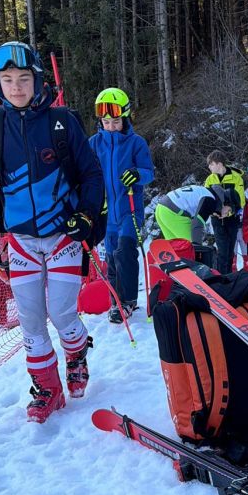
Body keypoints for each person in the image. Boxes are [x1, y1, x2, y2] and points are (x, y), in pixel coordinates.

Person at [0, 41, 105, 423]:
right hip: (20, 241)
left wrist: (86, 214)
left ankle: (77, 354)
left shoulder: (61, 121)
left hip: (63, 236)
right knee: (31, 319)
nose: (16, 87)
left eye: (23, 78)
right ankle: (47, 389)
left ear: (37, 80)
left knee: (62, 313)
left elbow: (91, 174)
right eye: (7, 80)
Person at [89, 87, 154, 323]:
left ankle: (127, 301)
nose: (111, 126)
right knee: (111, 258)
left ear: (125, 118)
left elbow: (148, 172)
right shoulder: (94, 144)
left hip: (129, 209)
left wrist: (137, 174)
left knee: (125, 252)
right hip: (106, 213)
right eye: (106, 122)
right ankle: (115, 300)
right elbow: (86, 173)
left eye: (115, 122)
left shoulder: (136, 143)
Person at [155, 184, 222, 260]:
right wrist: (197, 249)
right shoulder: (210, 200)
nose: (225, 215)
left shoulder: (203, 191)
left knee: (176, 250)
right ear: (224, 202)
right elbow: (197, 224)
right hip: (173, 212)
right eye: (229, 211)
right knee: (189, 248)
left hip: (161, 208)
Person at [204, 153, 244, 273]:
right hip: (217, 219)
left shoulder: (236, 177)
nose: (209, 167)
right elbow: (206, 198)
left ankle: (228, 276)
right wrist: (214, 212)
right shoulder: (210, 179)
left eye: (211, 164)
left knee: (230, 251)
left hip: (232, 219)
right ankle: (221, 277)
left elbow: (240, 200)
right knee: (222, 251)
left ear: (219, 164)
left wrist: (230, 209)